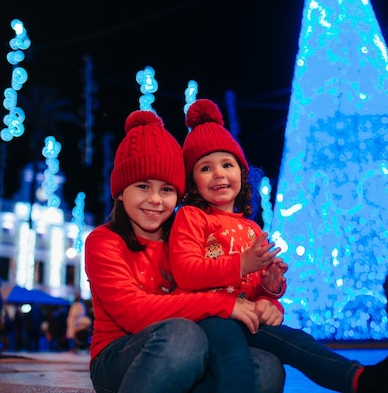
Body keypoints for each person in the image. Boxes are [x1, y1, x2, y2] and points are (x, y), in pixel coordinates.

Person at [169, 98, 388, 393]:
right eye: (205, 168)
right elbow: (185, 272)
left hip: (246, 316)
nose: (218, 173)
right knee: (237, 362)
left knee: (299, 343)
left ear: (241, 176)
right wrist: (243, 264)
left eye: (227, 164)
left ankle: (367, 381)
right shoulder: (192, 217)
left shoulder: (252, 228)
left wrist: (270, 291)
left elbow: (254, 286)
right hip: (210, 318)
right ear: (193, 181)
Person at [84, 109, 286, 393]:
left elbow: (240, 289)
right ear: (119, 191)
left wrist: (270, 299)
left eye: (167, 190)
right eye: (143, 186)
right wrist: (221, 305)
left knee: (265, 367)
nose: (155, 200)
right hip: (119, 358)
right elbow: (133, 312)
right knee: (182, 335)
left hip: (191, 356)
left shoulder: (184, 239)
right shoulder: (104, 241)